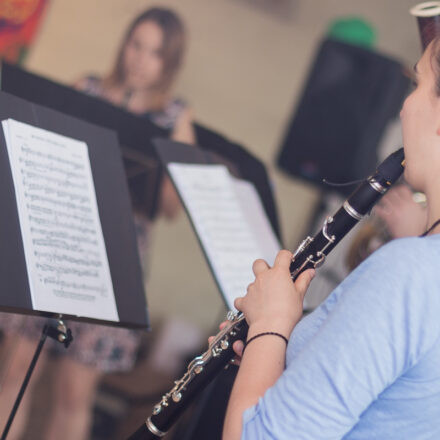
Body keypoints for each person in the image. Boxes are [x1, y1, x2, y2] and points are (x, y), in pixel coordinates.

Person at [222, 38, 440, 439]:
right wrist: (271, 352)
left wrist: (270, 324)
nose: (405, 105)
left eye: (419, 84)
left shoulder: (412, 271)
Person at [0, 7, 193, 440]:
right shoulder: (86, 88)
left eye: (155, 53)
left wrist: (172, 150)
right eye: (136, 45)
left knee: (73, 394)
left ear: (170, 63)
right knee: (13, 373)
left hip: (110, 267)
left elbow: (171, 208)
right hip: (55, 245)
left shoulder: (174, 116)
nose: (140, 60)